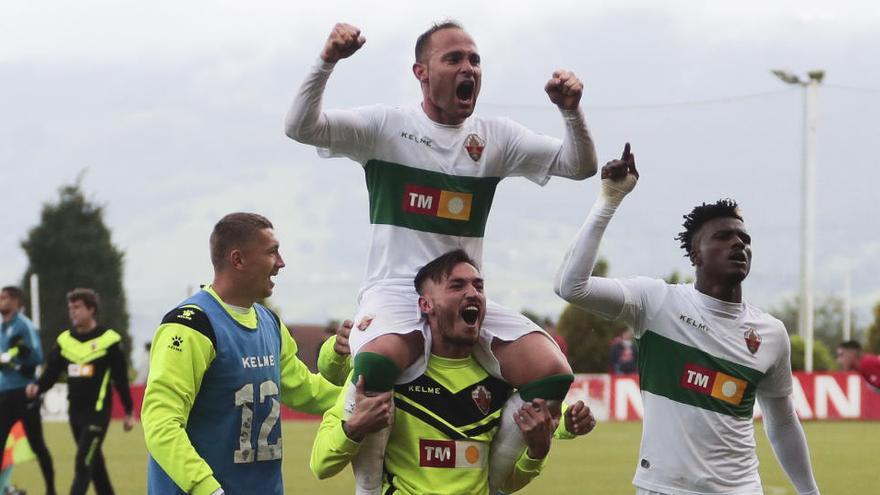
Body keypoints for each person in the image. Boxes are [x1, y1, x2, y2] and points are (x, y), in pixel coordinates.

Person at [285, 20, 598, 493]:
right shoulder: (388, 128)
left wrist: (571, 112)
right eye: (453, 59)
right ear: (421, 72)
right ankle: (369, 488)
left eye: (474, 60)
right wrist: (327, 60)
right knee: (375, 366)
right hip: (395, 292)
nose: (468, 67)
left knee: (552, 371)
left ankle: (493, 483)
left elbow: (580, 166)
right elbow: (300, 127)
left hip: (461, 295)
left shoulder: (495, 138)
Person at [554, 144, 821, 495]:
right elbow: (571, 286)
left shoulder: (770, 333)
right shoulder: (656, 302)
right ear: (695, 253)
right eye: (723, 237)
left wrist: (810, 492)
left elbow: (783, 421)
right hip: (663, 489)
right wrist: (610, 200)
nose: (738, 244)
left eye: (744, 239)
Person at [312, 250, 596, 494]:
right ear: (426, 305)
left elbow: (504, 484)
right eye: (457, 286)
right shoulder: (392, 376)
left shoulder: (499, 383)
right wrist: (354, 428)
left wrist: (537, 453)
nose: (472, 292)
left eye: (479, 286)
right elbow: (321, 464)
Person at [142, 212, 341, 495]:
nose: (281, 263)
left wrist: (368, 398)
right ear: (238, 260)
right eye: (272, 252)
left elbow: (305, 389)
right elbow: (161, 422)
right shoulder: (191, 326)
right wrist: (207, 489)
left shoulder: (269, 322)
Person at [26, 288, 134, 495]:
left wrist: (129, 411)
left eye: (77, 307)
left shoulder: (109, 341)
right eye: (70, 308)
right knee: (95, 465)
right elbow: (52, 373)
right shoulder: (65, 341)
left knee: (83, 463)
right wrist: (37, 387)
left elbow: (120, 379)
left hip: (98, 413)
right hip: (75, 413)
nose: (72, 312)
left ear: (91, 309)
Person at [0, 286, 56, 495]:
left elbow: (37, 357)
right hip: (4, 392)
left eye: (4, 297)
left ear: (16, 301)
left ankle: (51, 489)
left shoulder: (25, 326)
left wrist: (22, 354)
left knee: (37, 445)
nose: (0, 300)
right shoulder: (1, 328)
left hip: (25, 393)